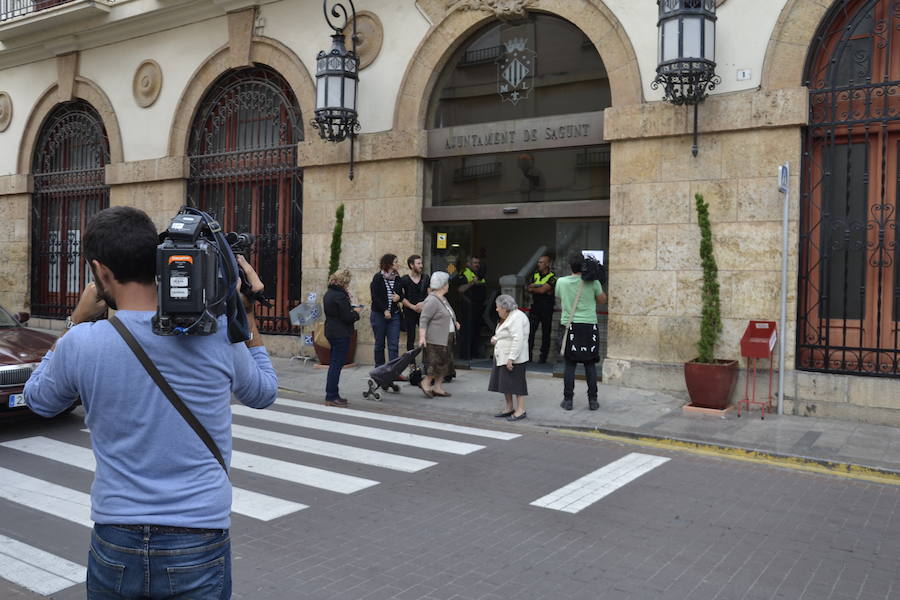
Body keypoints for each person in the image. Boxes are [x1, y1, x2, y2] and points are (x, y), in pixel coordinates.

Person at [24, 206, 278, 599]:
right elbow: (263, 393)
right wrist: (243, 316)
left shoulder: (83, 343)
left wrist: (75, 320)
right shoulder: (215, 334)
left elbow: (39, 400)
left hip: (117, 537)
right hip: (198, 534)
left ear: (100, 271)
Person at [555, 252, 607, 411]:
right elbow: (602, 300)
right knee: (590, 364)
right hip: (589, 325)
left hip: (569, 325)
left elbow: (560, 298)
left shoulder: (561, 282)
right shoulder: (593, 282)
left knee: (570, 364)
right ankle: (593, 400)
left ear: (570, 266)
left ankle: (568, 400)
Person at [323, 269, 362, 407]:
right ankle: (331, 396)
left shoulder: (329, 293)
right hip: (340, 333)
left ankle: (333, 394)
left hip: (331, 331)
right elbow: (347, 317)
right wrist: (356, 312)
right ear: (344, 282)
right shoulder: (339, 296)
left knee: (334, 363)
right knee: (336, 365)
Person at [418, 271, 460, 398]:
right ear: (443, 285)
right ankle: (425, 383)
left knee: (445, 363)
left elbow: (446, 314)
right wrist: (422, 337)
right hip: (436, 339)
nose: (448, 285)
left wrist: (454, 321)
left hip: (447, 337)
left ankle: (437, 387)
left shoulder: (443, 299)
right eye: (447, 283)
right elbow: (424, 319)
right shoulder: (432, 300)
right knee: (435, 364)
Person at [489, 294, 530, 422]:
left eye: (498, 307)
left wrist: (511, 358)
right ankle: (509, 408)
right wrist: (495, 339)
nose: (496, 309)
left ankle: (521, 410)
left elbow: (518, 339)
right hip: (503, 356)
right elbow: (503, 334)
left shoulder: (517, 317)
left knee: (517, 384)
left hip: (513, 358)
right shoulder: (508, 317)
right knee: (505, 384)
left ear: (505, 308)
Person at [370, 253, 403, 368]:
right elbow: (375, 297)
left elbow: (402, 295)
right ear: (389, 264)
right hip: (379, 315)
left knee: (393, 345)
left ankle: (393, 370)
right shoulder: (378, 277)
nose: (398, 264)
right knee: (379, 344)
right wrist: (384, 310)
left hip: (394, 315)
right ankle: (379, 370)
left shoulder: (398, 278)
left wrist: (399, 298)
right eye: (395, 262)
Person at [526, 254, 557, 363]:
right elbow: (529, 288)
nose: (538, 264)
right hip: (535, 307)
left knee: (546, 333)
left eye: (541, 262)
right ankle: (528, 356)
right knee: (530, 332)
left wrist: (535, 286)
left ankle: (543, 358)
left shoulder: (553, 277)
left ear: (547, 264)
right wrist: (540, 287)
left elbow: (542, 290)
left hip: (547, 308)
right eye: (538, 262)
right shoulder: (535, 275)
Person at [457, 255, 487, 359]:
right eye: (475, 263)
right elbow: (460, 289)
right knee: (467, 331)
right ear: (468, 264)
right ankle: (465, 355)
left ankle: (474, 353)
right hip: (468, 308)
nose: (477, 265)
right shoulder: (464, 274)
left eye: (478, 263)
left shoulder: (479, 275)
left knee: (476, 331)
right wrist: (472, 283)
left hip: (479, 308)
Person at [399, 254, 430, 352]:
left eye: (421, 263)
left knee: (426, 336)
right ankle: (412, 363)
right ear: (412, 265)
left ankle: (427, 362)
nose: (421, 265)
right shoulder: (404, 279)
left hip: (424, 311)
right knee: (411, 338)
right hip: (409, 312)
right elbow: (401, 297)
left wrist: (423, 303)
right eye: (418, 263)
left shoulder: (425, 278)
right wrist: (413, 307)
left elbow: (430, 294)